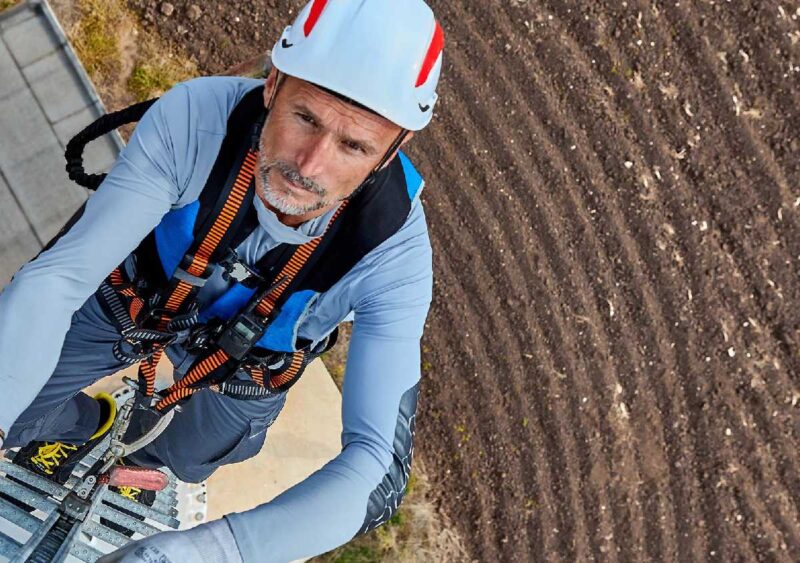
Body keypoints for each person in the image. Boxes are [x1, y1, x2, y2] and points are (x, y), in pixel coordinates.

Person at [0, 0, 444, 561]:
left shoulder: (393, 254)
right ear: (273, 82)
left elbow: (377, 464)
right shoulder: (197, 121)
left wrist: (210, 552)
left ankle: (141, 462)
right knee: (18, 415)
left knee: (193, 456)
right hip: (137, 300)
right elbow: (60, 278)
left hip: (247, 364)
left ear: (393, 149)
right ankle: (93, 425)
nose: (309, 166)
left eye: (353, 146)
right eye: (305, 117)